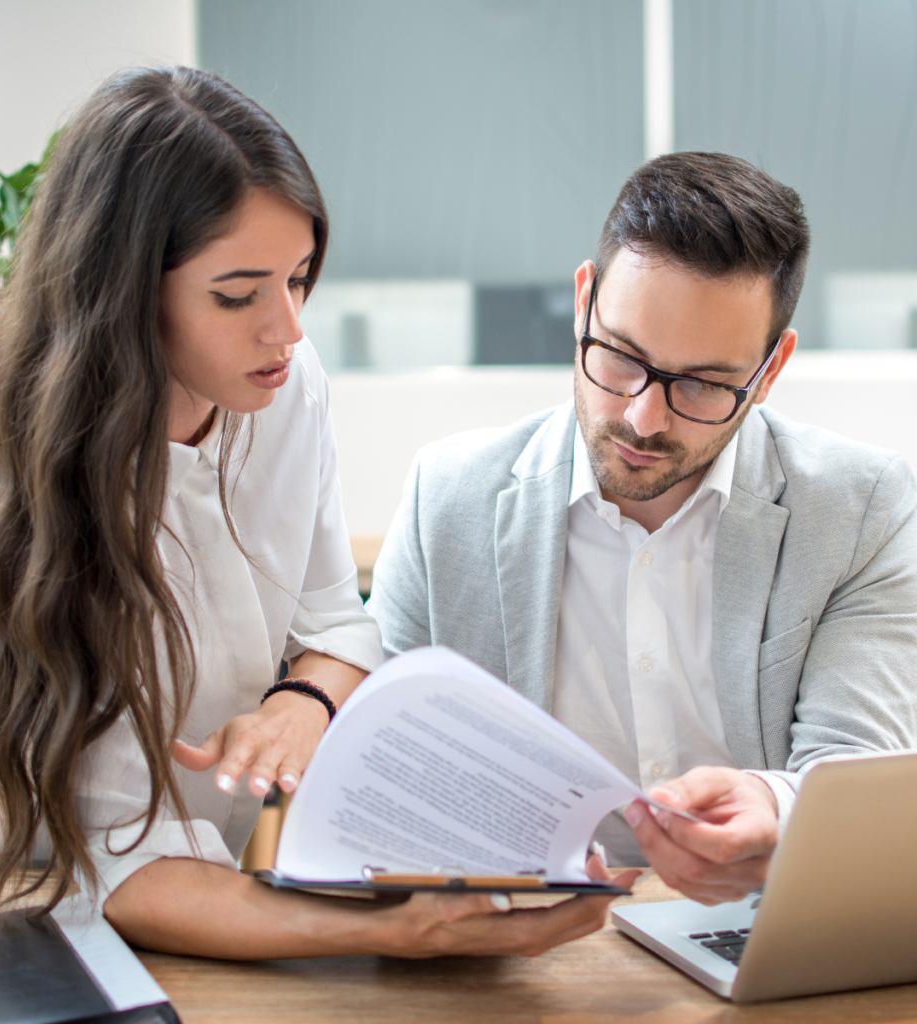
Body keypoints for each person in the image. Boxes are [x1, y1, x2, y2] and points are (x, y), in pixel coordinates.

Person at [0, 67, 637, 958]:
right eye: (237, 294)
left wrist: (302, 701)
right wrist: (398, 934)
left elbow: (333, 616)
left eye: (301, 277)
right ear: (123, 294)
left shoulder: (282, 389)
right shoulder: (48, 503)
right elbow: (113, 863)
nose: (286, 328)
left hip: (189, 888)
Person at [367, 152, 917, 904]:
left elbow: (856, 771)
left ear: (770, 370)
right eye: (622, 357)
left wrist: (781, 810)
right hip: (513, 952)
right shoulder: (448, 498)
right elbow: (380, 762)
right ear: (585, 299)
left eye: (703, 383)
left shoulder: (862, 510)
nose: (641, 417)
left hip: (754, 933)